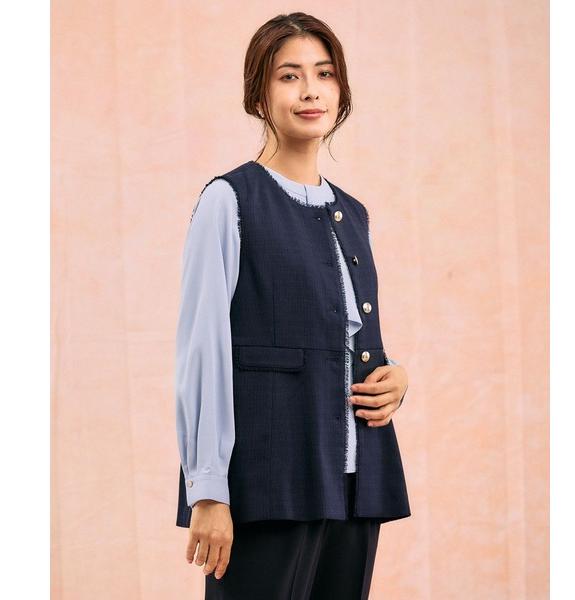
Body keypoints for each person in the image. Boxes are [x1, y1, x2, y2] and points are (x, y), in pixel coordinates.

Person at [175, 12, 411, 600]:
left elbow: (338, 337)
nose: (310, 91)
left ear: (341, 90)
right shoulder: (229, 200)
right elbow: (203, 350)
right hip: (269, 479)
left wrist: (394, 378)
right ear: (259, 94)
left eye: (324, 74)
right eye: (289, 75)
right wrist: (208, 490)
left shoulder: (353, 213)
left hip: (354, 483)